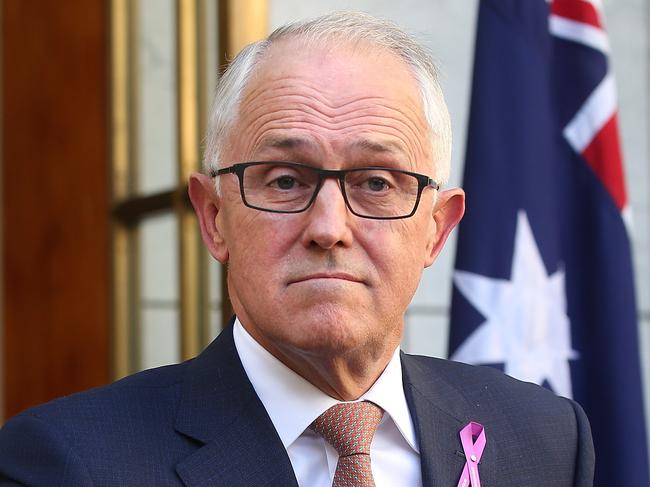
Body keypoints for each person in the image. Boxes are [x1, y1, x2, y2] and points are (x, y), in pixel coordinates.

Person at [0, 11, 594, 486]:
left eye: (377, 183)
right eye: (285, 180)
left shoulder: (543, 440)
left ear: (436, 229)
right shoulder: (67, 464)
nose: (328, 227)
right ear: (214, 218)